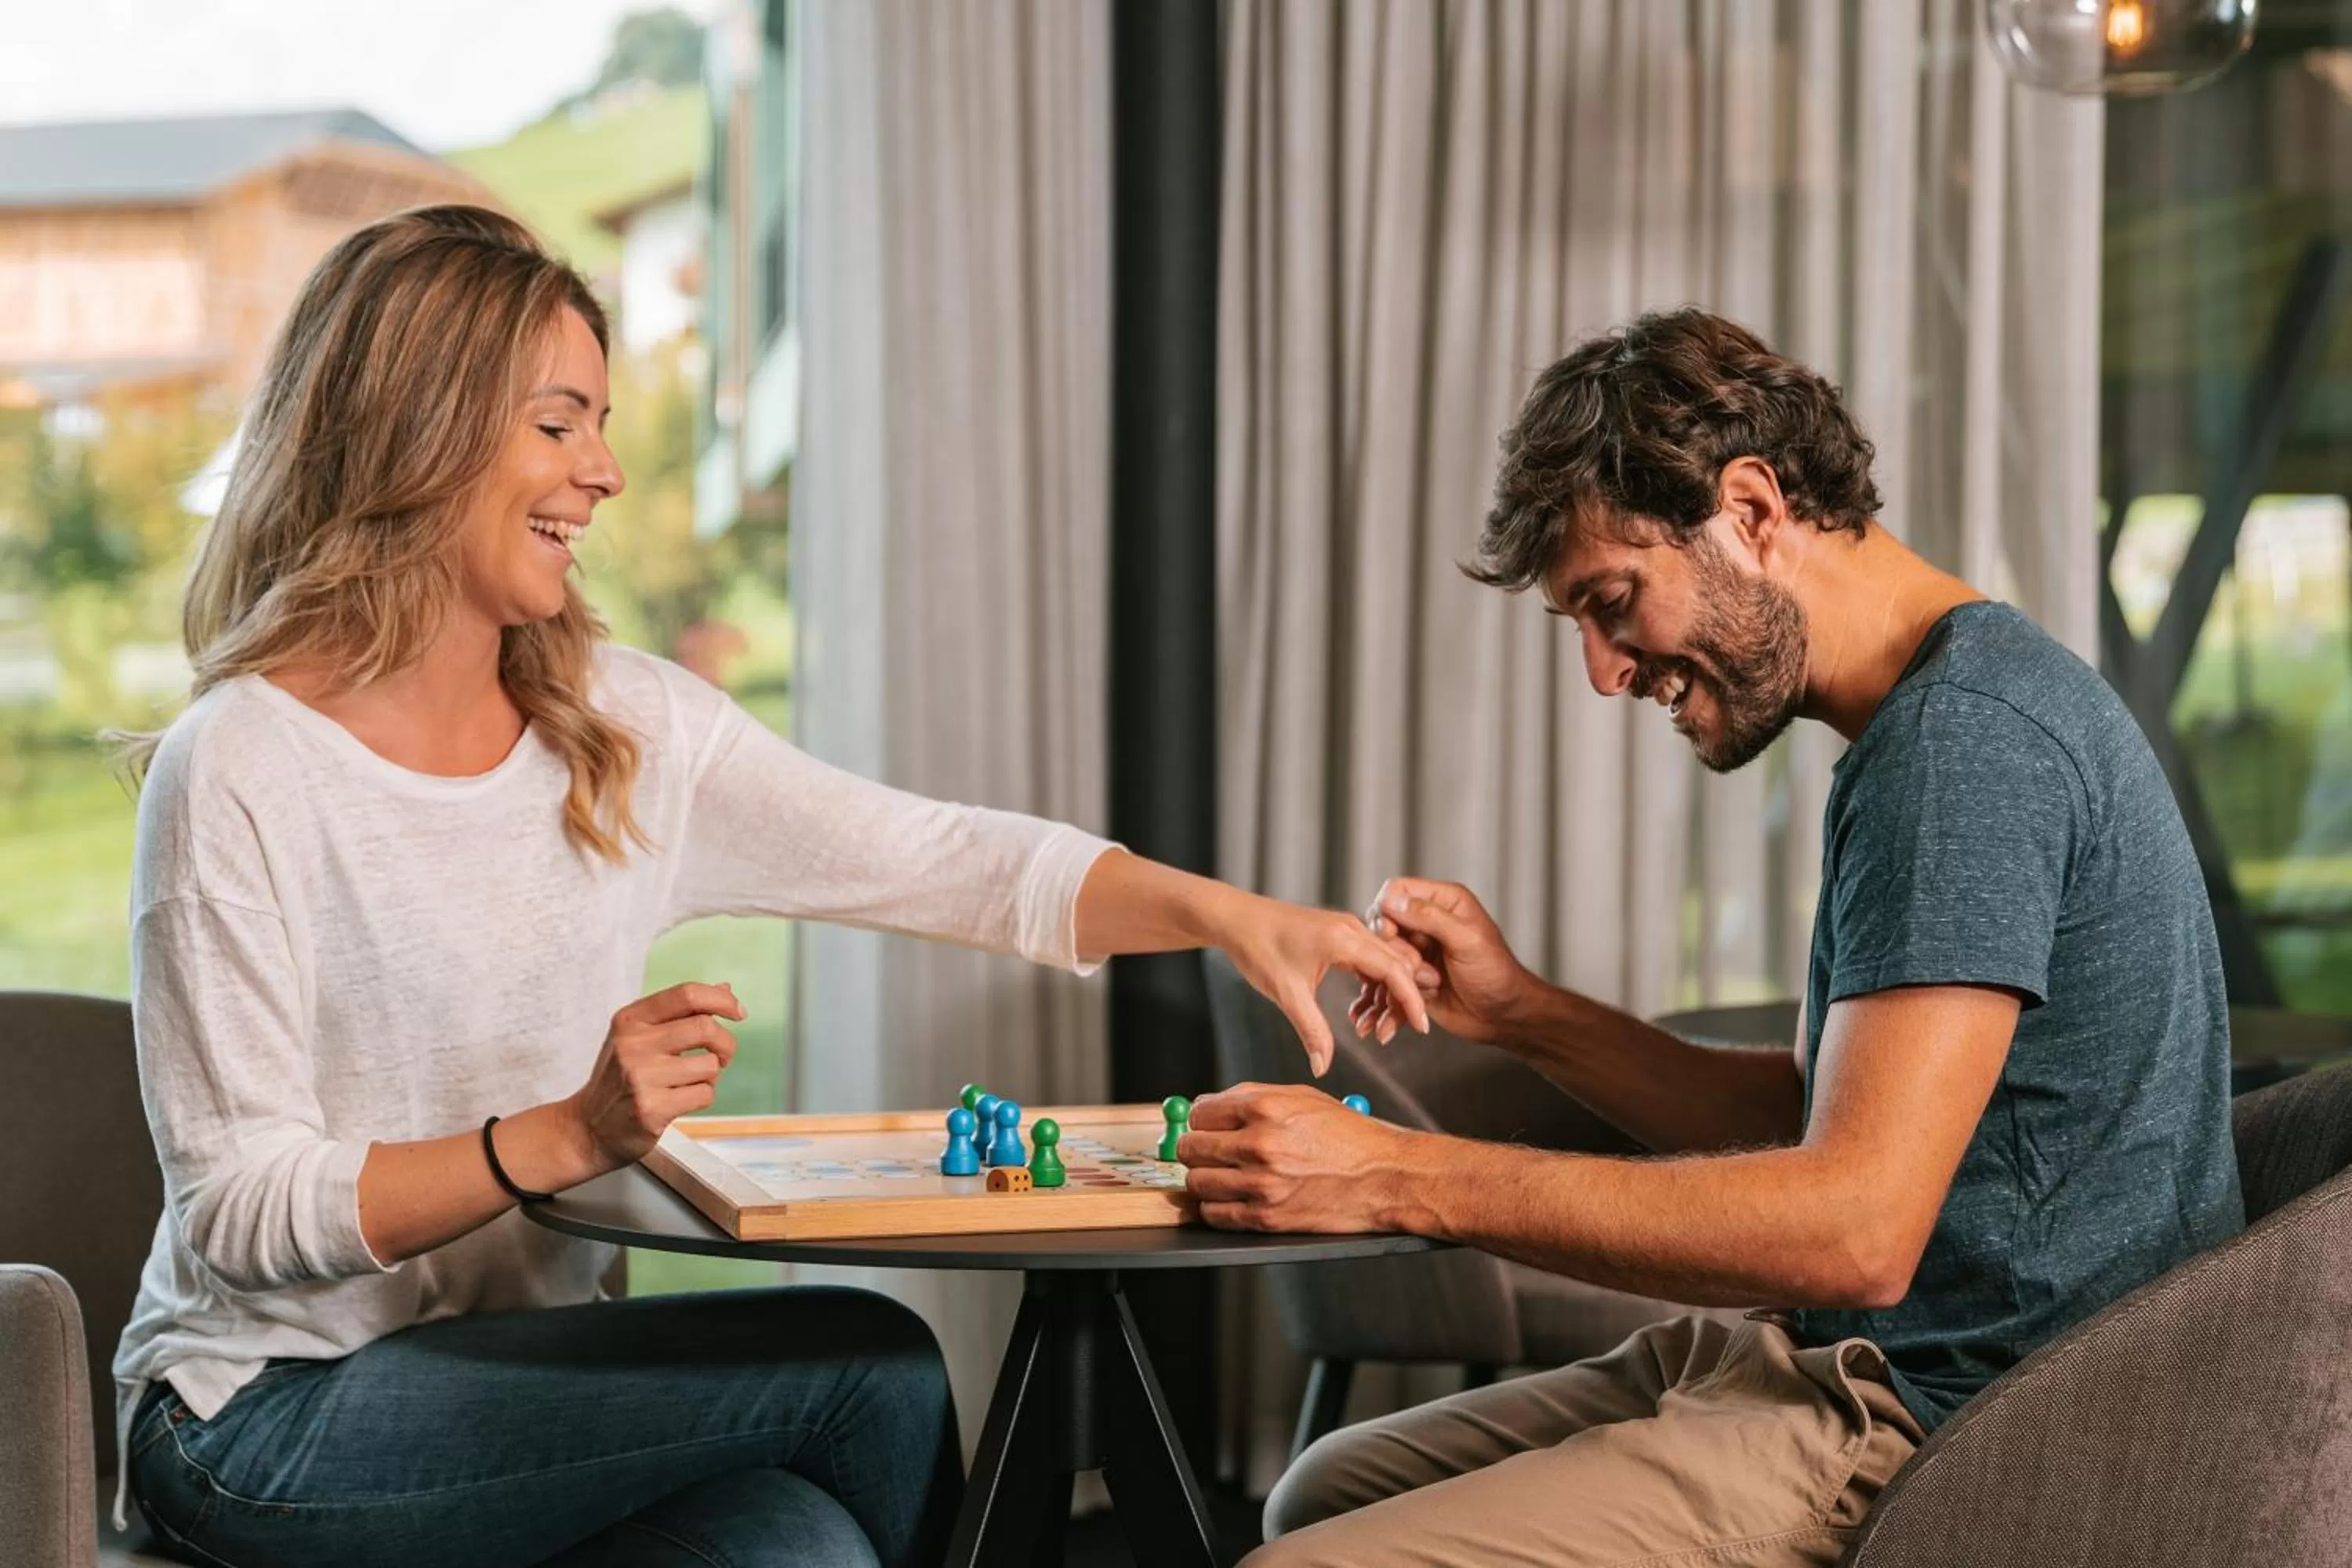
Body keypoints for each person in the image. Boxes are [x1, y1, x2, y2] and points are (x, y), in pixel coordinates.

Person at [111, 204, 1429, 1568]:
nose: (607, 471)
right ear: (417, 431)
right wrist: (563, 1133)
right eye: (560, 425)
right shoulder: (242, 768)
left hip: (524, 1388)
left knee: (799, 1546)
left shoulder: (620, 732)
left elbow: (941, 857)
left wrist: (1230, 914)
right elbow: (240, 1210)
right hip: (257, 1424)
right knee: (875, 1366)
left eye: (601, 425)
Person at [1181, 308, 2245, 1568]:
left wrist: (1391, 1172)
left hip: (1945, 1418)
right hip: (1852, 1359)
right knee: (1325, 1493)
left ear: (1748, 511)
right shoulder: (1943, 716)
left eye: (1612, 602)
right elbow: (1826, 1122)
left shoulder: (1964, 750)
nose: (1603, 673)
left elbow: (1851, 1227)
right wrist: (1522, 1012)